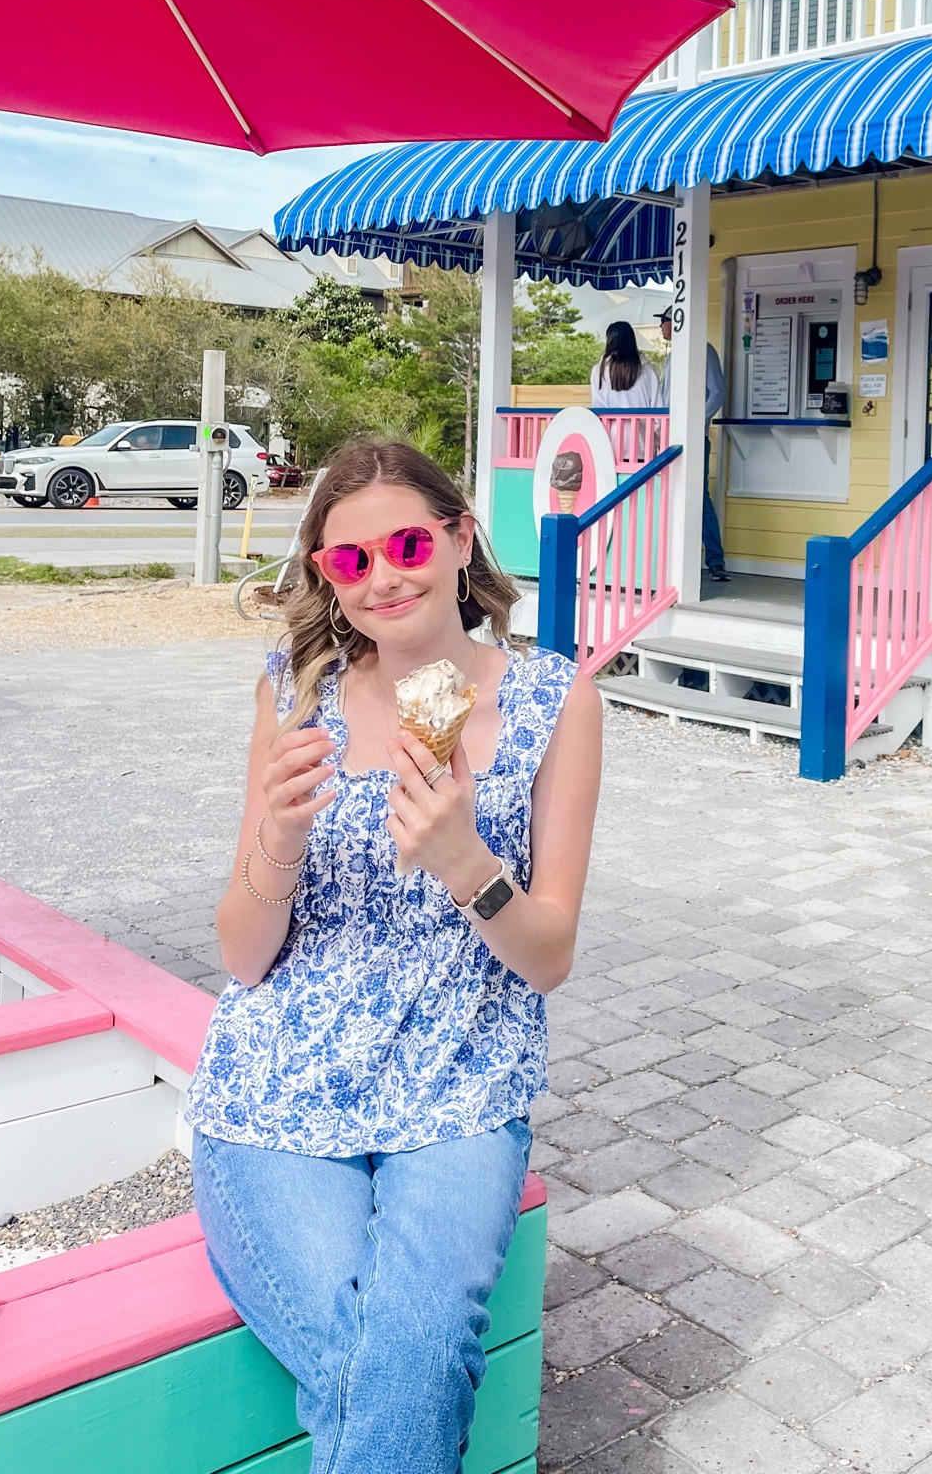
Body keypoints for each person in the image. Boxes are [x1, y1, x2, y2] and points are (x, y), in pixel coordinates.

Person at [186, 438, 602, 1474]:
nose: (384, 576)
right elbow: (244, 956)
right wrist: (277, 844)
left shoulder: (557, 699)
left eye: (409, 541)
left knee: (408, 1345)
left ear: (462, 534)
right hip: (278, 1082)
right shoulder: (295, 689)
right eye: (349, 560)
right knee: (392, 1366)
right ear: (325, 575)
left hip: (458, 1085)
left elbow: (547, 955)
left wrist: (466, 860)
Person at [658, 307, 729, 584]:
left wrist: (694, 422)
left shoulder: (704, 350)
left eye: (663, 322)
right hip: (668, 438)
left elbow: (717, 392)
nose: (661, 328)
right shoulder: (673, 356)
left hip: (694, 437)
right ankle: (670, 562)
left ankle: (715, 559)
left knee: (699, 497)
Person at [589, 320, 661, 409]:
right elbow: (658, 406)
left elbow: (598, 406)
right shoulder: (648, 370)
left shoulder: (599, 370)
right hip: (644, 423)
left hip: (610, 423)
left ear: (609, 341)